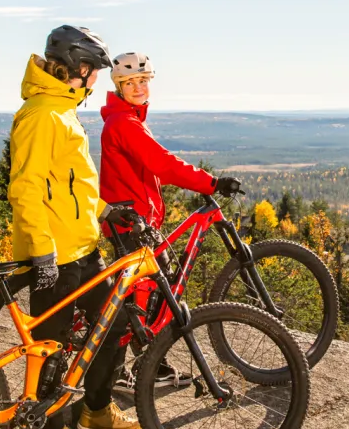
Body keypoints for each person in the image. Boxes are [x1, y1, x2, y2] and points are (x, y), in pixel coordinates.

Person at [8, 25, 143, 429]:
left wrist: (105, 211)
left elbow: (70, 187)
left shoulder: (62, 110)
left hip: (82, 247)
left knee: (115, 321)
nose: (97, 82)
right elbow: (26, 189)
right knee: (53, 347)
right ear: (80, 69)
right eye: (95, 73)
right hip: (57, 256)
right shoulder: (43, 114)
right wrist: (42, 254)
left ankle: (97, 411)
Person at [98, 51, 243, 391]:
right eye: (130, 82)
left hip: (138, 221)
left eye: (143, 81)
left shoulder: (128, 118)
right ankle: (122, 370)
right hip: (129, 224)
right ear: (119, 86)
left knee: (159, 289)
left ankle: (150, 361)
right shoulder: (124, 123)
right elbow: (162, 163)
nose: (138, 87)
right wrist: (211, 183)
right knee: (144, 294)